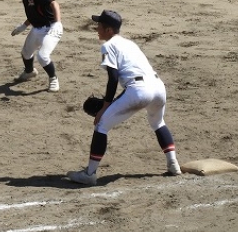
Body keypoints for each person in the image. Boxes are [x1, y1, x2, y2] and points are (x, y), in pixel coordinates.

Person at [67, 10, 181, 186]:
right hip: (158, 87)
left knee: (101, 125)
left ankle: (89, 174)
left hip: (139, 90)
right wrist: (112, 103)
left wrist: (105, 108)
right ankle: (173, 164)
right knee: (158, 123)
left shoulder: (108, 46)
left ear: (109, 30)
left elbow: (113, 79)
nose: (96, 29)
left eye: (99, 26)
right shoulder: (130, 44)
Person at [6, 0, 62, 93]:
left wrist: (57, 23)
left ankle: (53, 79)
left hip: (51, 28)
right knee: (26, 53)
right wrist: (24, 25)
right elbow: (34, 13)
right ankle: (29, 72)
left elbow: (54, 4)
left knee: (42, 56)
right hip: (37, 28)